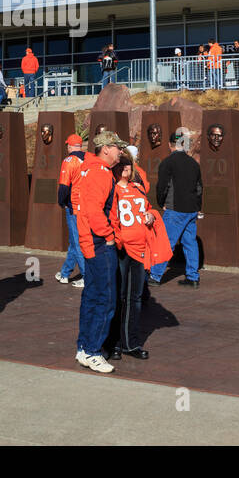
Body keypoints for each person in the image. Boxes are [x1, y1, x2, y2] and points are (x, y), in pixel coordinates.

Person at [105, 153, 171, 361]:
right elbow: (110, 217)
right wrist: (119, 241)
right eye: (121, 164)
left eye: (128, 164)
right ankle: (113, 343)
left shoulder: (138, 187)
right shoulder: (111, 189)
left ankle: (130, 343)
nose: (126, 167)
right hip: (122, 249)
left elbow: (146, 207)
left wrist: (151, 214)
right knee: (118, 297)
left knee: (134, 298)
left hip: (140, 249)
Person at [72, 130, 126, 374]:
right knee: (105, 299)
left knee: (92, 296)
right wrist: (109, 236)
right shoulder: (100, 173)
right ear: (106, 148)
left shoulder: (89, 168)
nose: (121, 152)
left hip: (89, 240)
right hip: (99, 242)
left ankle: (85, 348)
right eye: (118, 148)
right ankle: (93, 351)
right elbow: (95, 212)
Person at [149, 128, 202, 288]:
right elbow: (199, 187)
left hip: (175, 208)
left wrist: (161, 202)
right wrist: (198, 207)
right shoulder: (194, 163)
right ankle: (193, 276)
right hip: (191, 209)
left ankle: (155, 275)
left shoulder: (167, 162)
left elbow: (162, 186)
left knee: (166, 242)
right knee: (190, 242)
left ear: (170, 145)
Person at [54, 133, 86, 287]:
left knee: (77, 242)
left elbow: (64, 186)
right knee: (74, 242)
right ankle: (65, 273)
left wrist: (61, 201)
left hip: (74, 205)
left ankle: (86, 276)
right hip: (87, 205)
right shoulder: (89, 157)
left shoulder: (69, 160)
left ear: (70, 146)